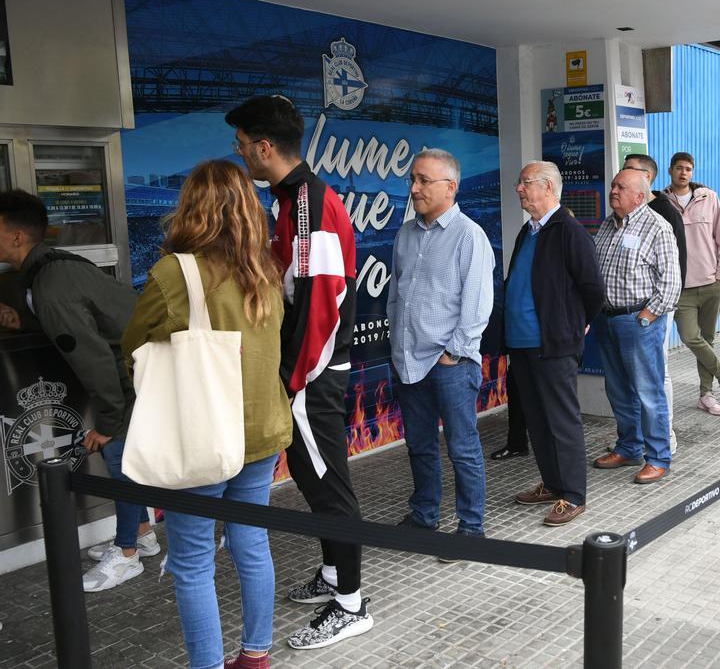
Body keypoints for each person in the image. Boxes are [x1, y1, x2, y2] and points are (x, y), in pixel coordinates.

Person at [121, 161, 292, 669]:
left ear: (191, 207)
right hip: (261, 431)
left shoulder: (178, 272)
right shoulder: (265, 267)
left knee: (194, 562)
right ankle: (256, 654)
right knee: (251, 542)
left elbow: (132, 342)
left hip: (203, 434)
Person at [226, 95, 372, 649]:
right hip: (306, 372)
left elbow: (322, 301)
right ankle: (336, 574)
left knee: (328, 483)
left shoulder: (309, 203)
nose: (240, 156)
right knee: (313, 476)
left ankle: (352, 604)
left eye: (242, 147)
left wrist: (291, 375)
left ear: (265, 148)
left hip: (312, 374)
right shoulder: (292, 201)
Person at [0, 191, 160, 593]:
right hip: (138, 367)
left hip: (136, 373)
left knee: (119, 458)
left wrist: (107, 423)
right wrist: (24, 322)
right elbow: (78, 325)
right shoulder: (51, 271)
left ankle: (127, 554)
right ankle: (142, 532)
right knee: (122, 457)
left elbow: (96, 360)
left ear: (18, 237)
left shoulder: (51, 281)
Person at [388, 149, 494, 537]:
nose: (414, 188)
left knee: (462, 448)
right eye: (413, 180)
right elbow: (396, 295)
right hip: (408, 361)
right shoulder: (406, 233)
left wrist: (452, 353)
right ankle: (424, 517)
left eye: (423, 181)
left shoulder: (469, 236)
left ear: (450, 187)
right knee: (419, 445)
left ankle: (471, 528)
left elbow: (478, 304)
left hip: (449, 364)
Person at [507, 161, 604, 526]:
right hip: (522, 344)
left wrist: (578, 323)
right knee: (537, 419)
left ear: (548, 188)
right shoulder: (528, 231)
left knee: (561, 420)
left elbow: (593, 288)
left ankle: (573, 494)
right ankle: (551, 482)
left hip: (553, 344)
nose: (519, 188)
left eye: (525, 183)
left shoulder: (569, 231)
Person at [591, 169, 681, 484]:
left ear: (639, 196)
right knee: (618, 390)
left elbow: (671, 283)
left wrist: (646, 317)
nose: (613, 190)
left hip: (639, 321)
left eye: (620, 187)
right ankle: (629, 447)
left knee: (648, 392)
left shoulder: (657, 227)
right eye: (613, 184)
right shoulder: (607, 223)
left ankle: (658, 457)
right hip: (607, 318)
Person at [662, 152, 720, 417]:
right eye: (679, 168)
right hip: (680, 287)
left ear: (692, 172)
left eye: (688, 169)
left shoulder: (709, 197)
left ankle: (705, 395)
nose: (684, 173)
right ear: (670, 170)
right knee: (690, 336)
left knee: (707, 339)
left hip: (710, 283)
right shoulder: (661, 201)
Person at [623, 154, 687, 451]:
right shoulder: (623, 214)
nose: (623, 174)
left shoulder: (664, 213)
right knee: (632, 379)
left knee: (656, 374)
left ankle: (666, 439)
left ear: (646, 177)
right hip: (629, 314)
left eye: (630, 170)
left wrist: (655, 311)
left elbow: (676, 269)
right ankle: (635, 440)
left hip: (654, 311)